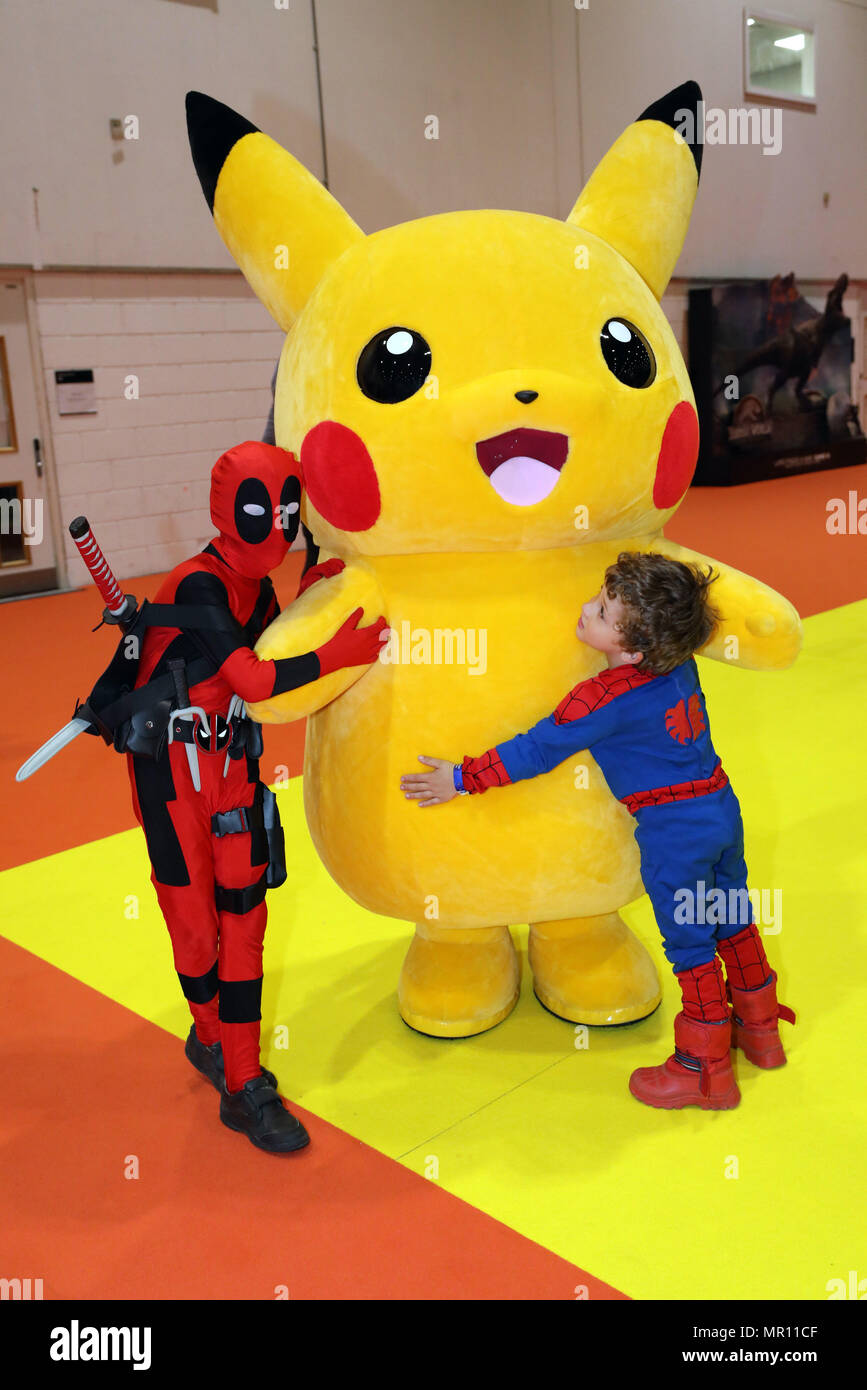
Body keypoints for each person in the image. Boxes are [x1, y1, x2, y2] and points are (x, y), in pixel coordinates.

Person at [399, 551, 795, 1111]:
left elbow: (535, 748)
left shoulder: (601, 699)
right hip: (721, 811)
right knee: (729, 914)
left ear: (632, 649)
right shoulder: (680, 662)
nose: (587, 609)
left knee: (689, 944)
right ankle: (760, 1033)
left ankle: (704, 1068)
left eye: (603, 610)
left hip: (673, 832)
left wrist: (462, 778)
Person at [123, 441, 385, 1152]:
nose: (278, 523)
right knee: (197, 925)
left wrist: (311, 594)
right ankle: (213, 1041)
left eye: (287, 511)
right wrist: (337, 654)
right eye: (264, 510)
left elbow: (265, 641)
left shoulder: (250, 584)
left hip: (232, 767)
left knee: (245, 916)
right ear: (230, 510)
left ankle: (242, 1082)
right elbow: (256, 680)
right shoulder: (199, 586)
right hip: (171, 777)